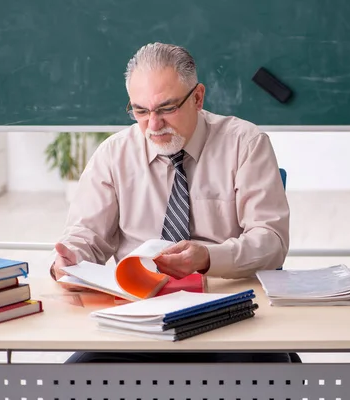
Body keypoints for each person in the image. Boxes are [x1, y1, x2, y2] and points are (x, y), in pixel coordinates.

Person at [51, 42, 292, 363]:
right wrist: (69, 261)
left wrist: (207, 257)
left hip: (229, 315)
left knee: (246, 379)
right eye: (140, 110)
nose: (153, 124)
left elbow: (271, 242)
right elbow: (85, 238)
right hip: (138, 318)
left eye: (166, 109)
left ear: (197, 97)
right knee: (73, 380)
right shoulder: (113, 154)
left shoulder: (245, 144)